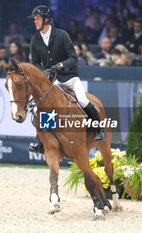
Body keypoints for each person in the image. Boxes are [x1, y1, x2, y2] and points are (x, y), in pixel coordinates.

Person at [28, 5, 106, 154]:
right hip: (52, 80)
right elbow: (36, 62)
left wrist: (59, 66)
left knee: (83, 100)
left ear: (46, 20)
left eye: (37, 19)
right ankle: (39, 140)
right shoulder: (35, 40)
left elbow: (73, 58)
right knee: (41, 106)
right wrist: (43, 71)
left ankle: (98, 130)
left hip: (69, 77)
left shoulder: (62, 35)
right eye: (34, 19)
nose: (35, 22)